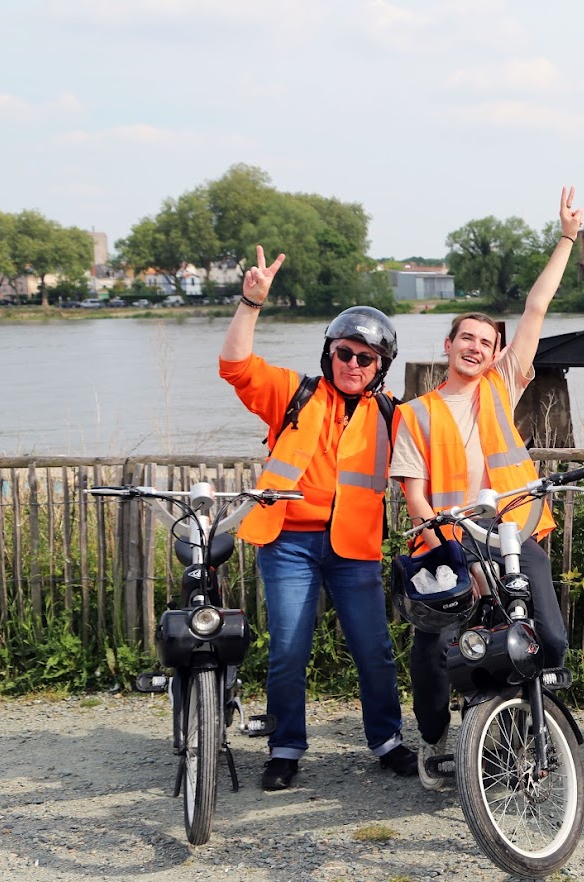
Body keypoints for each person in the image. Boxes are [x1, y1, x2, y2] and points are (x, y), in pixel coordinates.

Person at [390, 187, 583, 789]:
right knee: (437, 649)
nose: (476, 348)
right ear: (447, 346)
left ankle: (524, 723)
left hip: (510, 534)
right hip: (448, 544)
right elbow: (414, 494)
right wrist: (449, 544)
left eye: (486, 342)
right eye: (466, 339)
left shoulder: (503, 389)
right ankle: (434, 739)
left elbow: (535, 308)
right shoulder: (416, 412)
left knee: (545, 636)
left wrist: (567, 239)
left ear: (498, 353)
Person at [219, 246, 415, 791]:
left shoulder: (393, 414)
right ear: (329, 352)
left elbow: (437, 455)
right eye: (343, 352)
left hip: (354, 549)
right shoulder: (294, 392)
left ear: (381, 367)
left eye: (365, 358)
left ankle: (388, 740)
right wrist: (250, 303)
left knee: (374, 648)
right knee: (288, 648)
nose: (352, 363)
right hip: (288, 544)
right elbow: (234, 366)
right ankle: (285, 747)